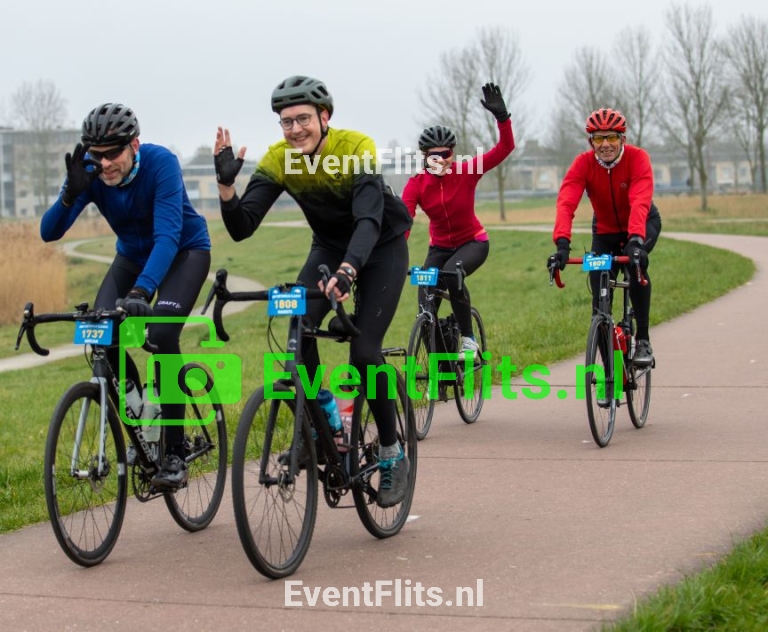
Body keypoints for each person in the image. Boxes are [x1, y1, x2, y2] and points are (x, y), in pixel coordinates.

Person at [213, 75, 413, 508]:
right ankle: (325, 422)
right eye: (286, 122)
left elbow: (367, 220)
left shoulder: (356, 147)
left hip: (380, 247)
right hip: (328, 248)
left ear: (325, 117)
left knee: (364, 353)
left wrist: (348, 271)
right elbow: (242, 227)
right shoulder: (280, 159)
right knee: (297, 326)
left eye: (302, 119)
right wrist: (227, 188)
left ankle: (392, 452)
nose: (295, 129)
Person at [41, 103, 212, 489]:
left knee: (162, 335)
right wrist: (69, 194)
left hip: (183, 253)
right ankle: (142, 424)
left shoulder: (161, 163)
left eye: (112, 154)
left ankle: (174, 449)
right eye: (96, 155)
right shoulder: (93, 174)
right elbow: (49, 233)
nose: (104, 164)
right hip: (131, 258)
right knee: (103, 335)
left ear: (134, 145)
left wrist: (141, 291)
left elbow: (167, 237)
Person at [401, 83, 515, 358]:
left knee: (453, 274)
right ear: (425, 157)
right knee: (425, 304)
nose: (441, 160)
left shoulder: (467, 171)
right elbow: (404, 222)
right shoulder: (416, 184)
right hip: (439, 248)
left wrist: (502, 119)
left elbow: (505, 148)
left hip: (472, 243)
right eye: (434, 156)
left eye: (446, 154)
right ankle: (444, 368)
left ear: (452, 154)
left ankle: (468, 340)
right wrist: (395, 255)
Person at [548, 108, 662, 366]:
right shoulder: (583, 163)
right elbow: (566, 202)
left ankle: (643, 339)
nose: (606, 144)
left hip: (642, 223)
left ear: (622, 139)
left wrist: (636, 240)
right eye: (599, 138)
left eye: (611, 137)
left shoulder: (637, 158)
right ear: (592, 142)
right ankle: (609, 371)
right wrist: (562, 244)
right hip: (605, 231)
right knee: (599, 296)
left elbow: (640, 200)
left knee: (636, 268)